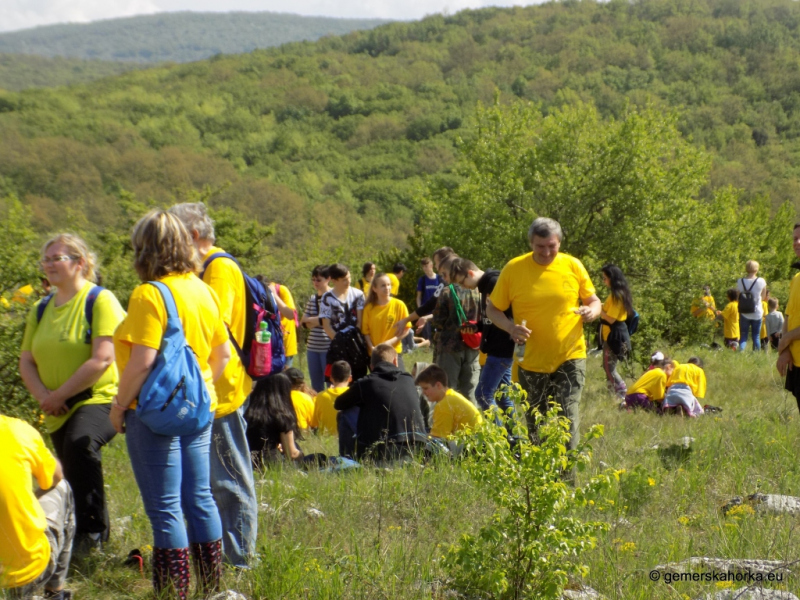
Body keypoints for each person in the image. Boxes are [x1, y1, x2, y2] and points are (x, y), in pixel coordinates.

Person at [110, 210, 230, 598]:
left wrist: (118, 405)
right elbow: (223, 355)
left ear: (144, 250)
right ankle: (213, 588)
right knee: (199, 497)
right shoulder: (202, 288)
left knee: (164, 508)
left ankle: (173, 593)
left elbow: (143, 362)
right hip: (200, 406)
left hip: (153, 411)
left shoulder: (149, 294)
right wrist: (198, 388)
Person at [19, 234, 124, 554]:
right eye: (46, 259)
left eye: (57, 258)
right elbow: (26, 360)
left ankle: (92, 535)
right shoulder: (40, 308)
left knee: (81, 445)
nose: (49, 264)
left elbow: (103, 358)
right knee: (67, 468)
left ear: (80, 263)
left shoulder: (100, 300)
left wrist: (57, 395)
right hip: (55, 405)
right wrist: (44, 397)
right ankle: (78, 531)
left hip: (100, 397)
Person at [168, 201, 259, 569]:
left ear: (190, 234)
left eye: (172, 232)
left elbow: (207, 329)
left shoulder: (219, 269)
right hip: (206, 388)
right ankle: (216, 556)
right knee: (210, 482)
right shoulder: (204, 269)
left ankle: (239, 561)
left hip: (220, 390)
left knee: (229, 480)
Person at [487, 217, 601, 451]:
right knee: (535, 423)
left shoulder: (573, 265)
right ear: (531, 243)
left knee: (567, 419)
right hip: (531, 360)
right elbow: (492, 308)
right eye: (541, 246)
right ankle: (541, 480)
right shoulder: (514, 269)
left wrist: (591, 312)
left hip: (570, 355)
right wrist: (510, 328)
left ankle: (568, 484)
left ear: (559, 242)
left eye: (552, 246)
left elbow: (594, 300)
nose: (547, 252)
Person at [1, 414, 75, 599]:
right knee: (61, 487)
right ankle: (54, 593)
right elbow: (56, 476)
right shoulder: (16, 430)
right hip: (26, 572)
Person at [449, 257, 516, 421]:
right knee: (502, 396)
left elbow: (507, 316)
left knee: (483, 394)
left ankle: (500, 437)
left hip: (500, 347)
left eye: (462, 282)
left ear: (470, 273)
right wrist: (478, 326)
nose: (464, 287)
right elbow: (493, 317)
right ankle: (516, 440)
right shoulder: (485, 285)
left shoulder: (493, 283)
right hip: (499, 347)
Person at [333, 344, 426, 459]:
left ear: (371, 367)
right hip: (417, 445)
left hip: (383, 449)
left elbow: (339, 404)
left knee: (344, 414)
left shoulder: (365, 383)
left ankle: (347, 460)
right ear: (396, 361)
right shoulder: (409, 379)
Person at [432, 254, 481, 402]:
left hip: (449, 347)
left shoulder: (447, 292)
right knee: (470, 390)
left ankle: (450, 423)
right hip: (473, 346)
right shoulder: (478, 290)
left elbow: (438, 321)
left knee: (448, 390)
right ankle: (471, 424)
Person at [320, 264, 368, 380]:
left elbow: (360, 322)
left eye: (349, 278)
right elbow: (326, 326)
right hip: (338, 346)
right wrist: (340, 342)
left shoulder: (358, 295)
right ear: (334, 281)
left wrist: (352, 343)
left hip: (357, 345)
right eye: (344, 280)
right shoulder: (327, 298)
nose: (348, 282)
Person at [245, 373, 303, 468]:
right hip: (271, 464)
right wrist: (301, 454)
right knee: (318, 457)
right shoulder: (282, 415)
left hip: (245, 462)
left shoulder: (246, 410)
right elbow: (292, 454)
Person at [415, 364, 483, 439]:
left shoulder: (444, 405)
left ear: (438, 385)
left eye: (426, 388)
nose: (423, 392)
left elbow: (437, 438)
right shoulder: (451, 396)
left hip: (470, 444)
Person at [362, 273, 412, 369]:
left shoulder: (399, 305)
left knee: (398, 381)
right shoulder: (369, 308)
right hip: (375, 355)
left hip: (394, 352)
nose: (387, 288)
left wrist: (389, 343)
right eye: (383, 285)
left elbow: (406, 329)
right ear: (374, 289)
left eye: (389, 285)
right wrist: (372, 348)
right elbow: (365, 332)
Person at [599, 264, 633, 399]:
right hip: (613, 334)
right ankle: (612, 394)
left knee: (609, 367)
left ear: (612, 279)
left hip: (614, 336)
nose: (604, 281)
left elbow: (611, 319)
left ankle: (622, 392)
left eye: (605, 278)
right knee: (607, 366)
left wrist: (598, 311)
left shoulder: (616, 296)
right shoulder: (617, 294)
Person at [301, 265, 332, 393]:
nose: (315, 283)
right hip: (312, 347)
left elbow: (330, 321)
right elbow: (303, 322)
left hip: (328, 347)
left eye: (318, 280)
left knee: (331, 384)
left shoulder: (333, 297)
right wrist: (321, 320)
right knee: (315, 387)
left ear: (328, 279)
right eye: (313, 280)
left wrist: (316, 320)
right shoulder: (313, 299)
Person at [778, 224, 800, 406]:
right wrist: (785, 350)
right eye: (794, 238)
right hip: (797, 362)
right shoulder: (796, 279)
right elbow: (788, 316)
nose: (797, 242)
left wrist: (786, 339)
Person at [311, 360, 351, 436]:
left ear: (331, 378)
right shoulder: (355, 395)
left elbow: (314, 424)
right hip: (348, 439)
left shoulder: (320, 396)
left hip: (325, 439)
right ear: (350, 378)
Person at [736, 260, 768, 351]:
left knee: (744, 335)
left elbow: (738, 296)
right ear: (756, 269)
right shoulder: (761, 281)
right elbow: (763, 296)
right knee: (756, 336)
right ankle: (756, 354)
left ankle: (740, 352)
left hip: (744, 311)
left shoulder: (740, 281)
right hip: (757, 311)